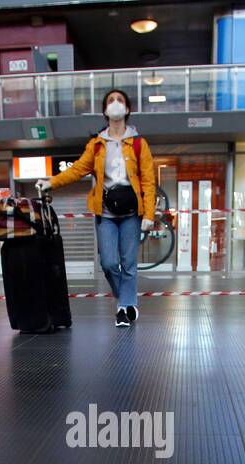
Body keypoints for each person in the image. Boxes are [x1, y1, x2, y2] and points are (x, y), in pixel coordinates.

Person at [37, 89, 156, 327]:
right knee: (109, 263)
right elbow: (77, 169)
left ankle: (124, 308)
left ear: (128, 109)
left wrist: (150, 214)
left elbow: (148, 181)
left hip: (132, 213)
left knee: (129, 263)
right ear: (104, 111)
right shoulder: (97, 145)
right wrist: (51, 182)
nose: (115, 104)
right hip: (107, 214)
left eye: (119, 100)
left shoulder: (139, 144)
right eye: (110, 101)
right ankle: (124, 297)